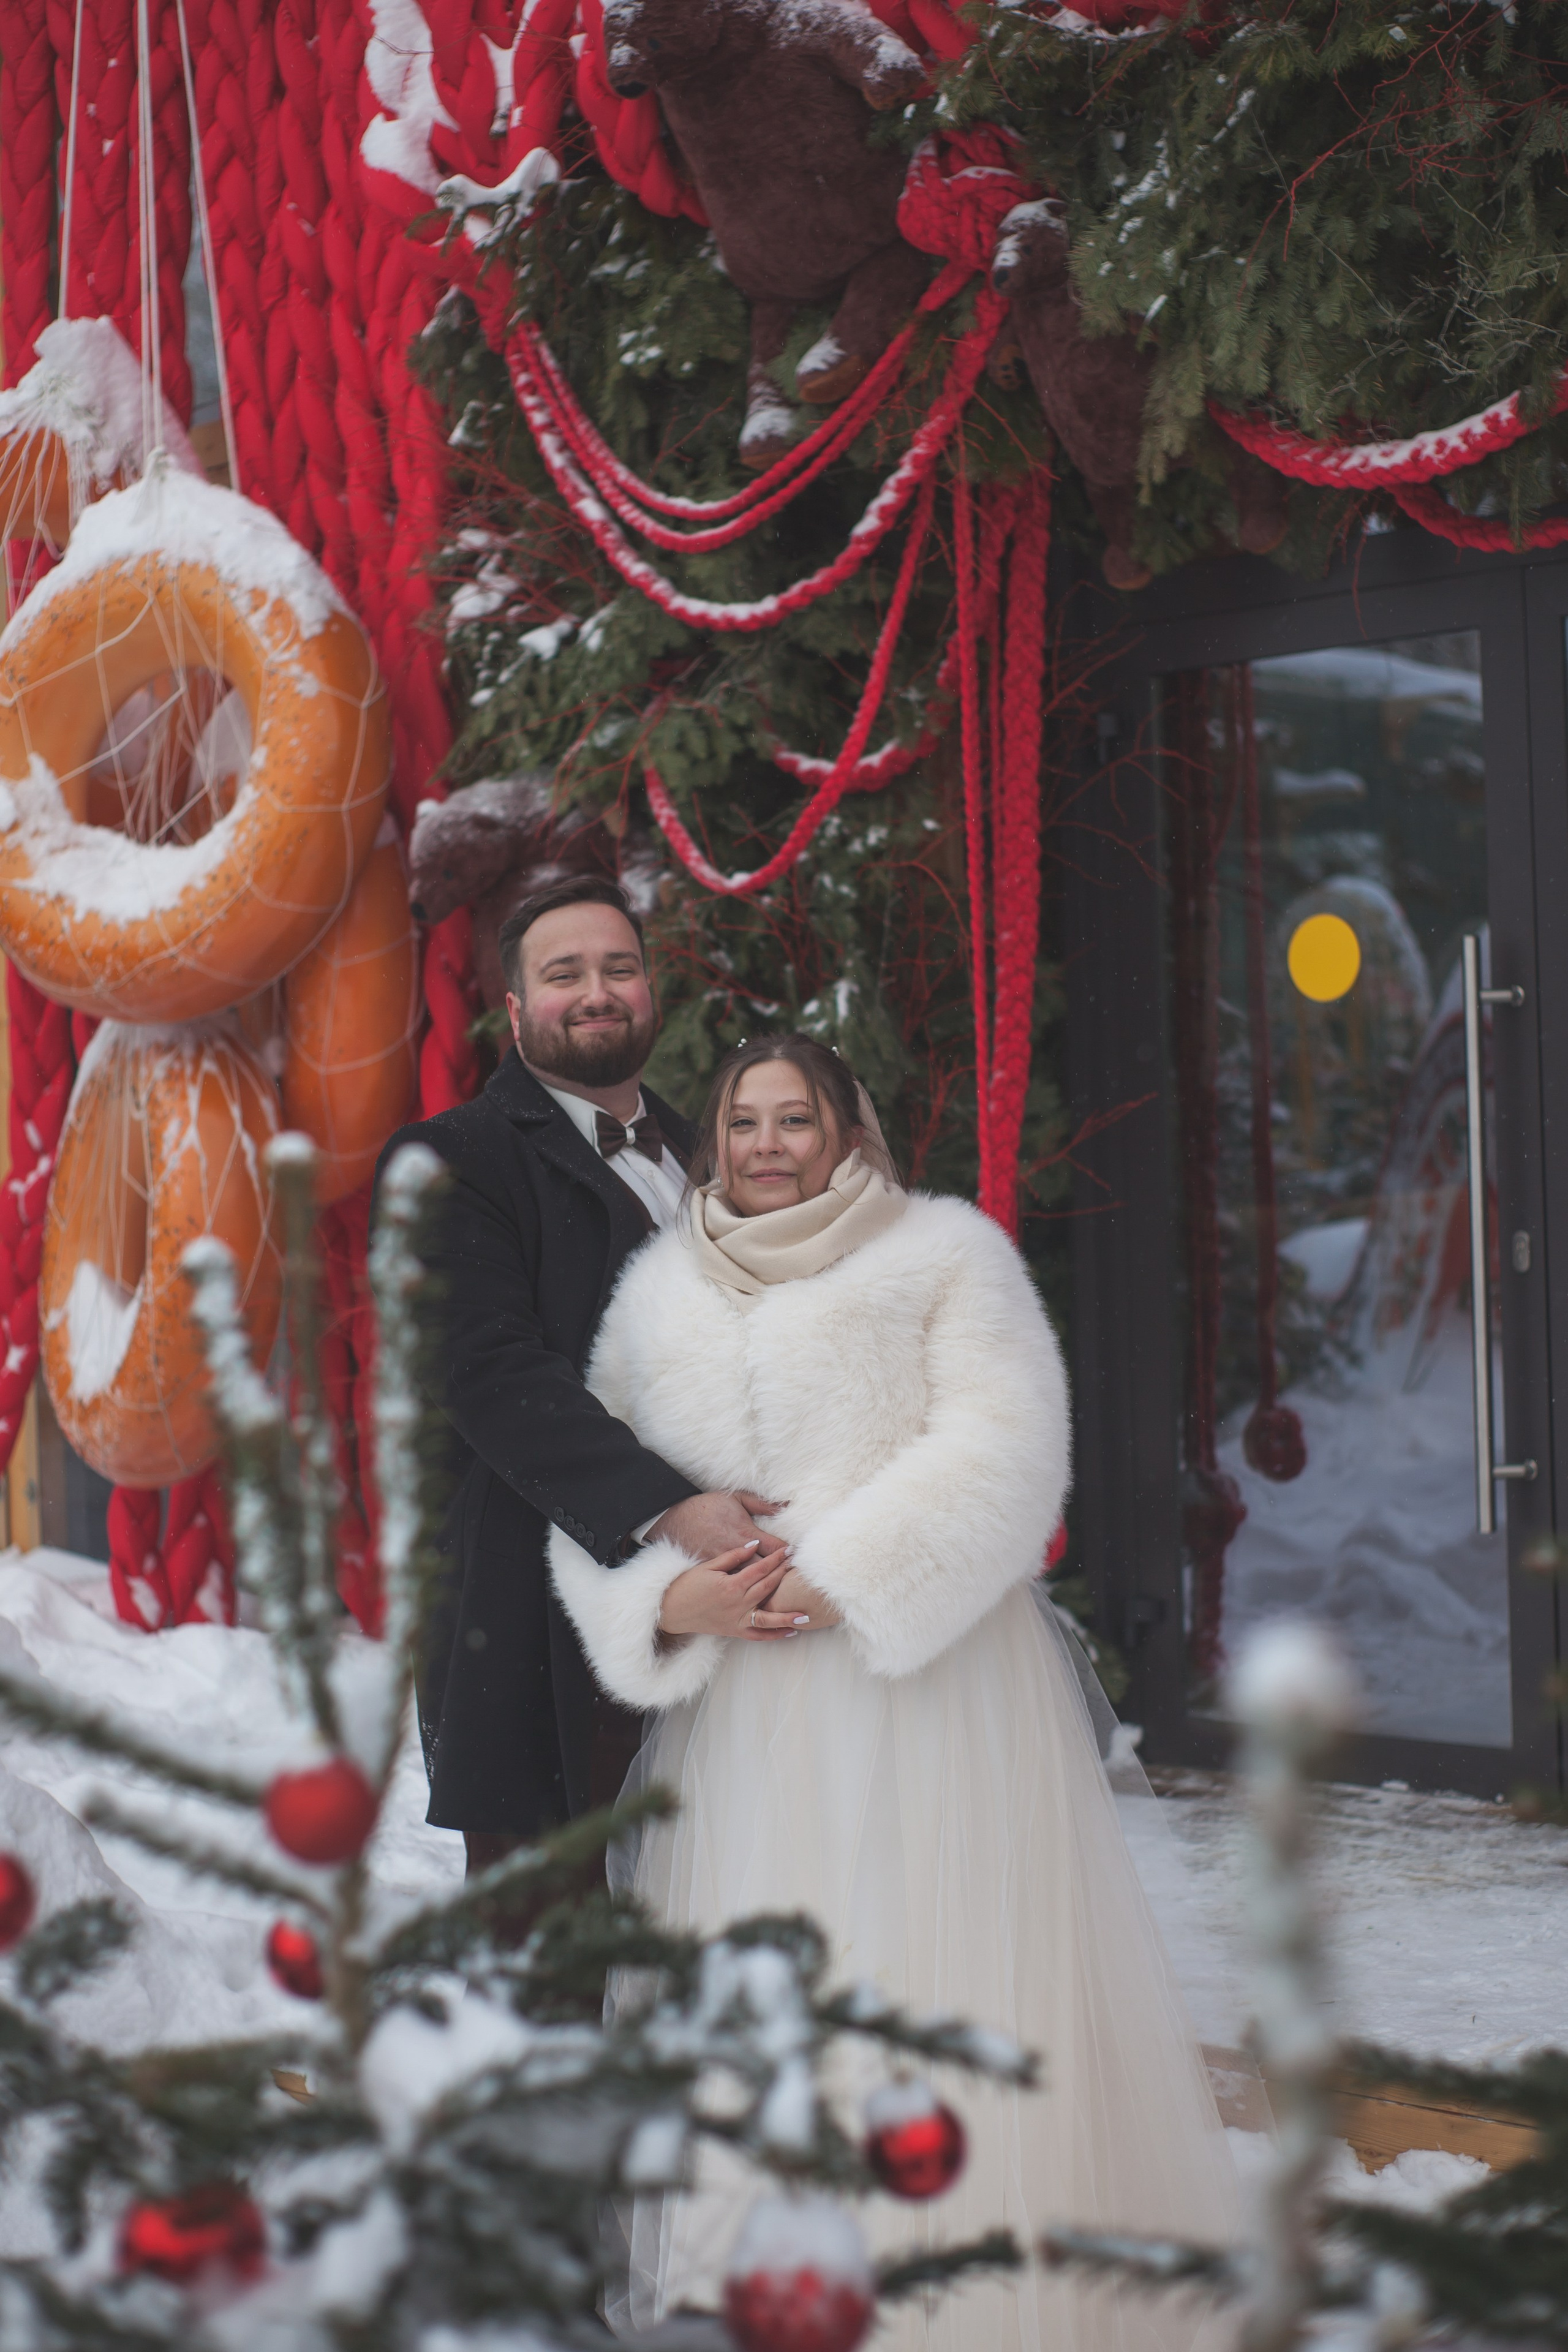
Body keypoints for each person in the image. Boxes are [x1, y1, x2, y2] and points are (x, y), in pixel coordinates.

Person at [548, 1035, 1240, 2352]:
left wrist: (841, 1573)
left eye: (791, 1117)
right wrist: (660, 1607)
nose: (762, 1142)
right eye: (741, 1120)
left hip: (923, 1683)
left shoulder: (942, 1257)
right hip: (746, 1715)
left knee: (928, 1970)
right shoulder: (655, 1296)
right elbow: (597, 1490)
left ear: (845, 1132)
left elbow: (1008, 1444)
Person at [377, 878, 805, 1871]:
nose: (597, 992)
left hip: (733, 1616)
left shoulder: (720, 1150)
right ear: (520, 1012)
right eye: (564, 975)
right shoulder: (451, 1159)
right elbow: (485, 1370)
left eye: (619, 969)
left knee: (720, 1917)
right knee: (559, 1958)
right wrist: (670, 1510)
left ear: (651, 996)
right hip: (542, 1620)